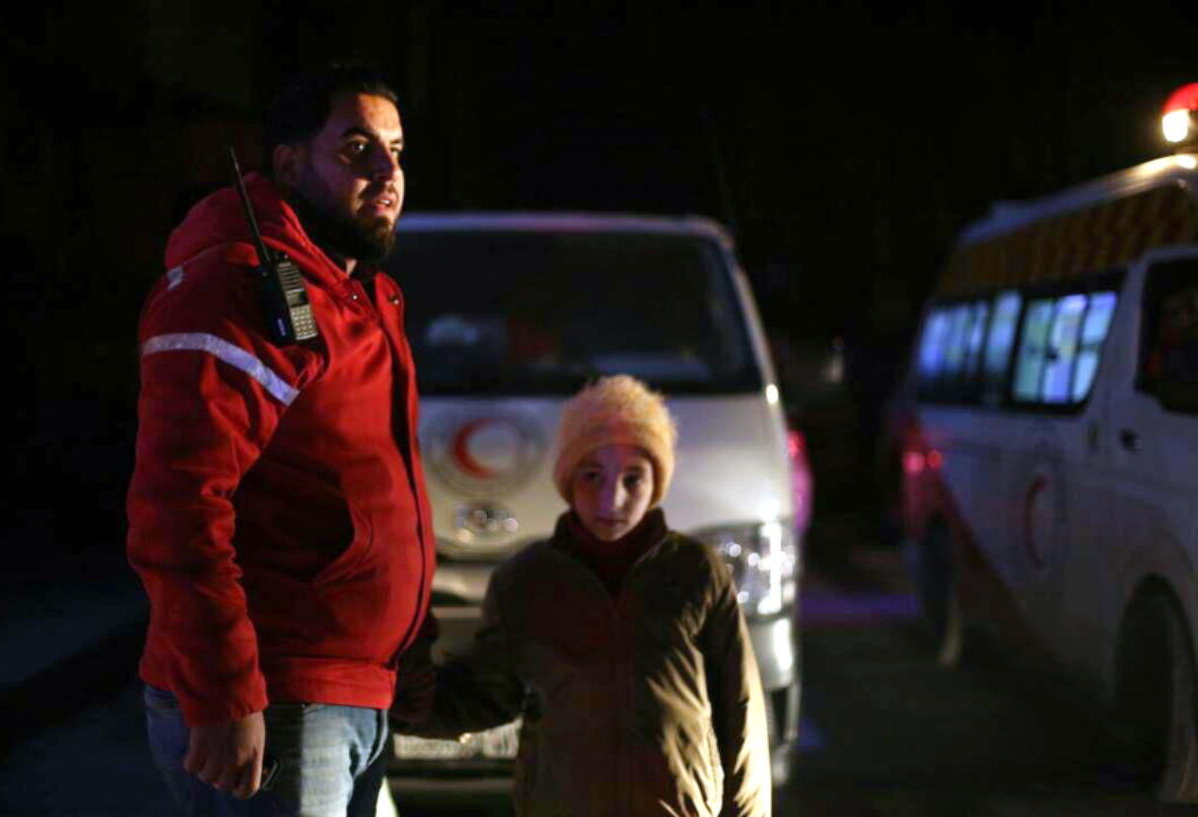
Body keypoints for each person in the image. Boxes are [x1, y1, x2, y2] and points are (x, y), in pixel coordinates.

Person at [126, 63, 434, 816]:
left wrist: (408, 656)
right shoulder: (239, 287)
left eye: (395, 149)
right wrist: (225, 691)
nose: (388, 172)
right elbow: (179, 504)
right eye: (358, 148)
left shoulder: (359, 296)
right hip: (280, 697)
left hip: (344, 692)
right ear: (290, 163)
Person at [400, 375, 771, 816]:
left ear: (657, 482)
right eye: (593, 475)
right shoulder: (525, 582)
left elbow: (740, 711)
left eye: (633, 478)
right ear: (569, 479)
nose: (612, 498)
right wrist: (406, 681)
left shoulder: (695, 573)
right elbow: (484, 696)